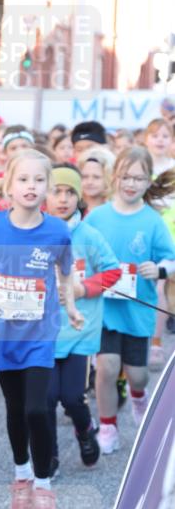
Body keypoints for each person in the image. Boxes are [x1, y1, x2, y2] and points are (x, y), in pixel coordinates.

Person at [0, 150, 84, 509]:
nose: (31, 186)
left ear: (48, 187)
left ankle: (43, 482)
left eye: (38, 180)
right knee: (15, 409)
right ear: (9, 185)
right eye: (23, 179)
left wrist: (72, 307)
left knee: (37, 408)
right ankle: (21, 475)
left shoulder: (57, 231)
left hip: (41, 334)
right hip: (4, 336)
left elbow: (66, 273)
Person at [85, 148, 175, 453]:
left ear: (148, 181)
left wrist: (159, 269)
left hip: (137, 311)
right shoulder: (97, 217)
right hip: (105, 308)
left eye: (138, 178)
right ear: (114, 177)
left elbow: (170, 259)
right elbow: (81, 253)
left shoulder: (152, 221)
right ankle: (107, 427)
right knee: (107, 367)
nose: (131, 184)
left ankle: (139, 396)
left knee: (137, 374)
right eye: (125, 176)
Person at [45, 165, 121, 477]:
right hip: (43, 333)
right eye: (56, 191)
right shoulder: (34, 233)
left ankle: (86, 430)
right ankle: (48, 456)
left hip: (79, 330)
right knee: (46, 399)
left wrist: (82, 288)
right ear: (44, 195)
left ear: (79, 197)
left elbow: (112, 271)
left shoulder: (88, 235)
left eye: (70, 192)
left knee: (72, 397)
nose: (63, 199)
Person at [144, 118, 175, 369]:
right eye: (155, 135)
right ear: (146, 139)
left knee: (162, 286)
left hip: (169, 233)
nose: (160, 140)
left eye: (165, 136)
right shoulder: (141, 168)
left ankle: (156, 343)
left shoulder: (173, 169)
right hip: (143, 234)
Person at [79, 146, 115, 216]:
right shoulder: (72, 210)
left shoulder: (116, 211)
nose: (89, 182)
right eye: (85, 176)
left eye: (96, 177)